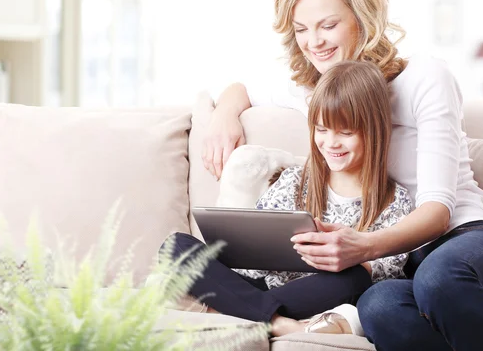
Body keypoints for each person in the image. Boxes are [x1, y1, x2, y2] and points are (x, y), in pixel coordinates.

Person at [202, 0, 483, 350]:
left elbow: (438, 210)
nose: (315, 42)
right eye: (302, 29)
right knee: (377, 305)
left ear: (362, 17)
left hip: (469, 240)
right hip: (404, 267)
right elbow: (243, 88)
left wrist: (361, 245)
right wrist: (223, 114)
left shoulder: (424, 77)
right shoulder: (318, 90)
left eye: (328, 25)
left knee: (438, 279)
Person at [166, 60, 412, 337]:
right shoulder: (295, 180)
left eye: (345, 132)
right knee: (175, 247)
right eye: (322, 130)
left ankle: (235, 309)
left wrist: (342, 255)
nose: (331, 143)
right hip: (260, 284)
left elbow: (385, 273)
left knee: (355, 277)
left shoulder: (396, 202)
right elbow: (258, 236)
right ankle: (277, 322)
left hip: (317, 294)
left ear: (374, 131)